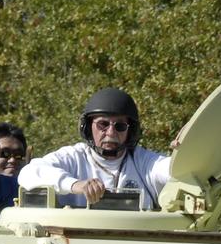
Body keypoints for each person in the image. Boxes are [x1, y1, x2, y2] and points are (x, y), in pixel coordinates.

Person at [18, 88, 171, 209]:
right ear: (88, 127)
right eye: (102, 124)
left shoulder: (143, 162)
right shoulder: (75, 157)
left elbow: (173, 170)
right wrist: (75, 185)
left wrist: (183, 152)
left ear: (130, 131)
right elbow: (29, 173)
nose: (111, 133)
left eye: (120, 126)